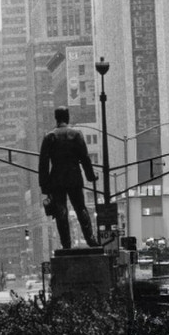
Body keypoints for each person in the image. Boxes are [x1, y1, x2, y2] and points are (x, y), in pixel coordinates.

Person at [37, 106, 99, 249]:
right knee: (80, 208)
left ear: (56, 118)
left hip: (56, 179)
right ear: (67, 117)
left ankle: (66, 244)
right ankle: (90, 239)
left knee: (61, 212)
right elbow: (85, 158)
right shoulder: (76, 135)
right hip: (74, 177)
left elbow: (43, 164)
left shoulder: (49, 137)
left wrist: (44, 186)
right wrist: (90, 176)